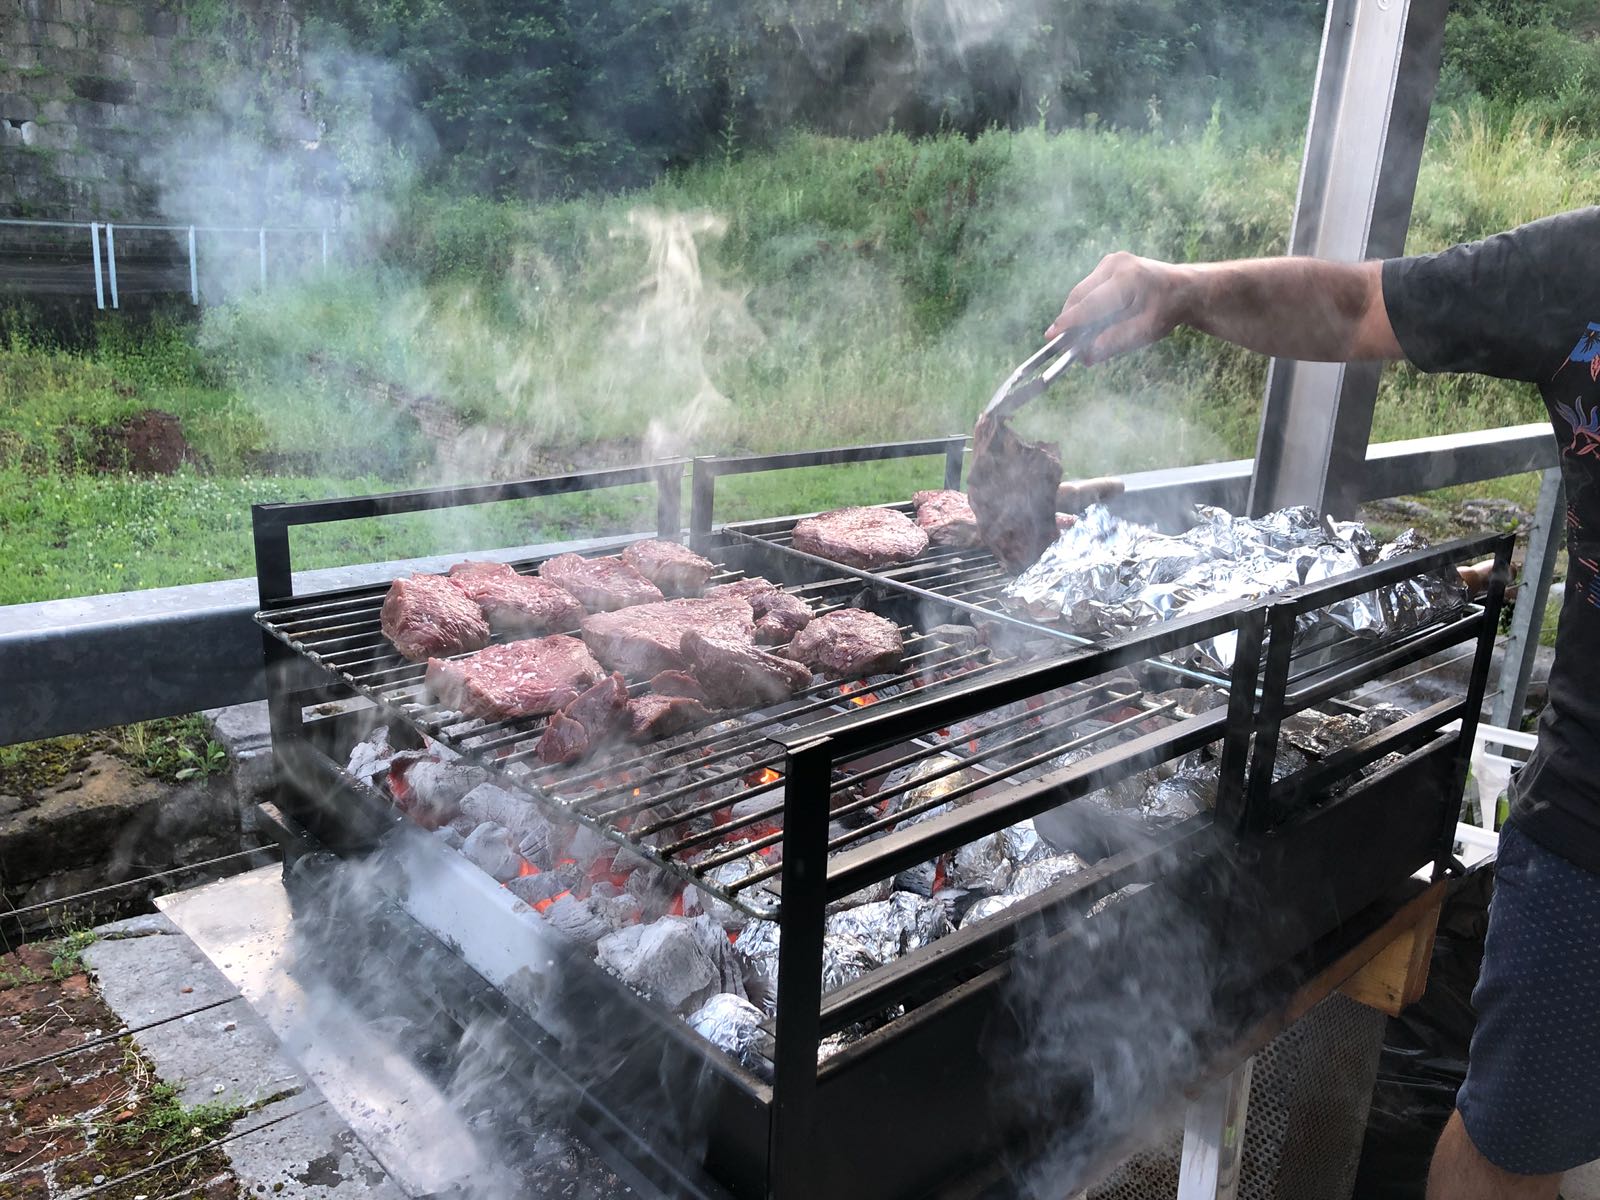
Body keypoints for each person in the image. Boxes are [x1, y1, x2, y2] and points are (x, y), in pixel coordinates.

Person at [1045, 207, 1600, 1200]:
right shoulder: (1585, 265)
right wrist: (1179, 289)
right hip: (1593, 835)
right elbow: (1355, 305)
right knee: (1512, 1143)